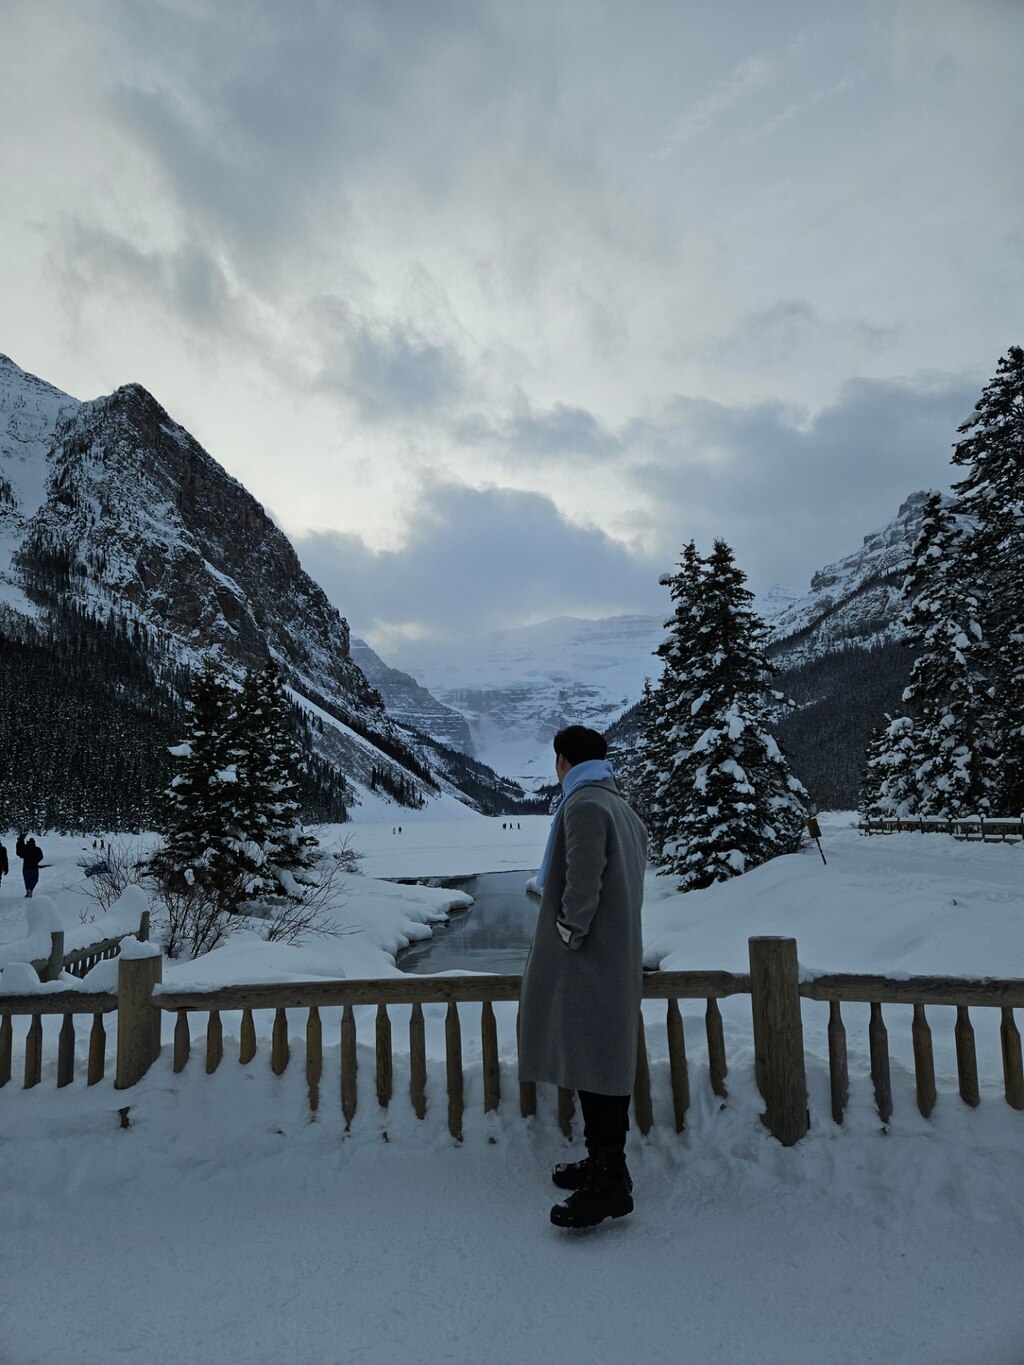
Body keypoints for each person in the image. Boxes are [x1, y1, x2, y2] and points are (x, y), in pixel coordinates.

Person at [519, 725, 648, 1229]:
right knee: (601, 1061)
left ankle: (610, 1183)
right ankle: (603, 1165)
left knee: (597, 1065)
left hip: (590, 960)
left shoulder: (584, 805)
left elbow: (583, 880)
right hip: (614, 957)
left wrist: (569, 932)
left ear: (562, 761)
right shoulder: (621, 807)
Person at [15, 834, 44, 898]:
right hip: (34, 868)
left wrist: (20, 841)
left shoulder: (25, 848)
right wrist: (36, 861)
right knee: (35, 880)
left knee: (27, 880)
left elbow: (19, 853)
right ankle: (30, 889)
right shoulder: (37, 849)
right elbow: (41, 857)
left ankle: (28, 890)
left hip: (26, 868)